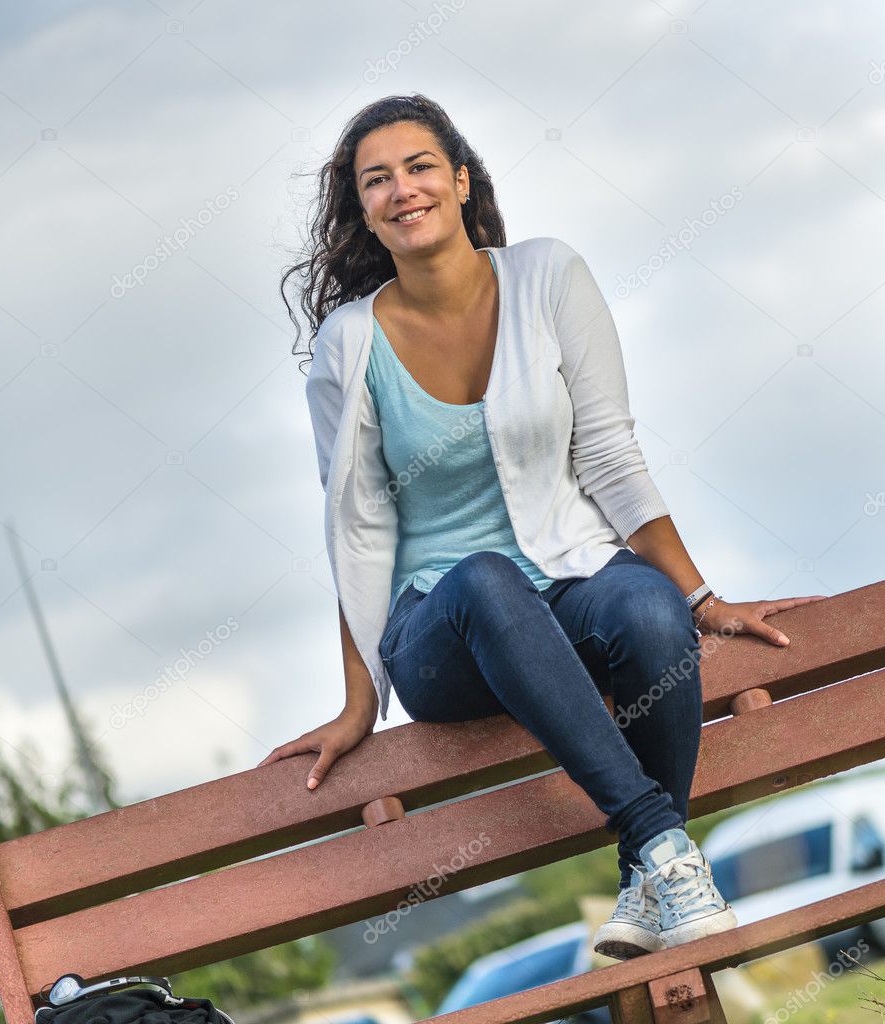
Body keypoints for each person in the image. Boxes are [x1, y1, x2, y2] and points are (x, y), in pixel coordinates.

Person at [260, 93, 825, 960]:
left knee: (645, 611)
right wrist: (359, 699)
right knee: (483, 577)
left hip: (570, 578)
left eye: (418, 167)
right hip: (439, 628)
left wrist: (699, 595)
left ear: (459, 180)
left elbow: (606, 450)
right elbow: (356, 527)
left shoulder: (548, 278)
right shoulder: (350, 344)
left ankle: (648, 884)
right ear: (363, 211)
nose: (401, 189)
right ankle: (664, 845)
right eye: (377, 180)